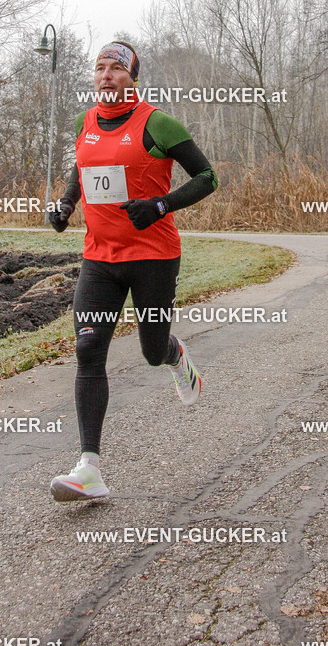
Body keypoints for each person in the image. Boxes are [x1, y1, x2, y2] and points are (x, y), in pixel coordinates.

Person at [48, 40, 218, 501]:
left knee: (149, 349)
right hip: (99, 258)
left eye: (116, 69)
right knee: (88, 350)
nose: (106, 75)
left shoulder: (157, 123)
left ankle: (176, 355)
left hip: (152, 257)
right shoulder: (86, 122)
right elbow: (82, 168)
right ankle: (89, 470)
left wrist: (161, 204)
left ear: (133, 78)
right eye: (99, 68)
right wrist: (65, 205)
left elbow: (207, 177)